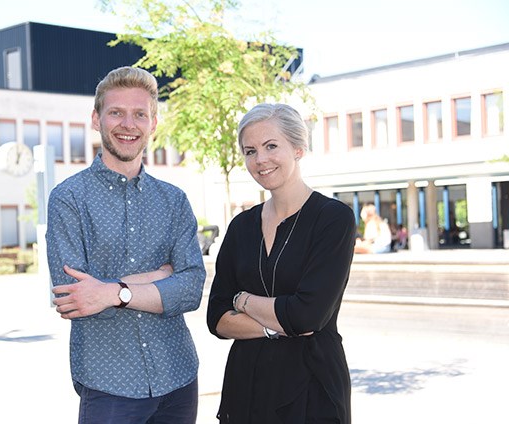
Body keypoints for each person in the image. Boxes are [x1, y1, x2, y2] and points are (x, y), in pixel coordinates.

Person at [46, 66, 206, 424]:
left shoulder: (174, 200)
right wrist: (160, 277)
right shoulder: (69, 199)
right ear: (95, 119)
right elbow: (74, 299)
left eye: (140, 115)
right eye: (116, 112)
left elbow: (191, 289)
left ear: (153, 123)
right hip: (109, 387)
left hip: (178, 377)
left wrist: (112, 290)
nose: (128, 124)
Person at [206, 103, 355, 423]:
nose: (260, 159)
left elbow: (308, 316)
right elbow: (216, 318)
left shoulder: (332, 219)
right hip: (247, 387)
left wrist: (241, 300)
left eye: (271, 146)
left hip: (312, 389)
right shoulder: (241, 226)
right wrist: (279, 325)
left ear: (298, 148)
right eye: (250, 151)